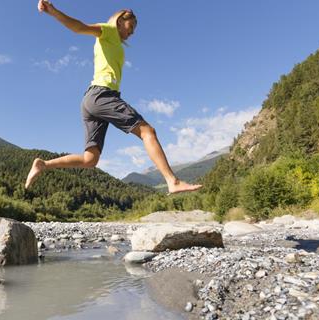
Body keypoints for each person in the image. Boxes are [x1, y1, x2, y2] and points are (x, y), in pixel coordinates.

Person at [25, 0, 202, 194]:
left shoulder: (115, 42)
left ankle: (43, 164)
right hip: (102, 95)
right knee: (147, 132)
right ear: (119, 21)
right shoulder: (108, 31)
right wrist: (53, 11)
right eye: (131, 26)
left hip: (90, 100)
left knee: (89, 160)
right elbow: (79, 28)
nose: (132, 32)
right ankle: (172, 181)